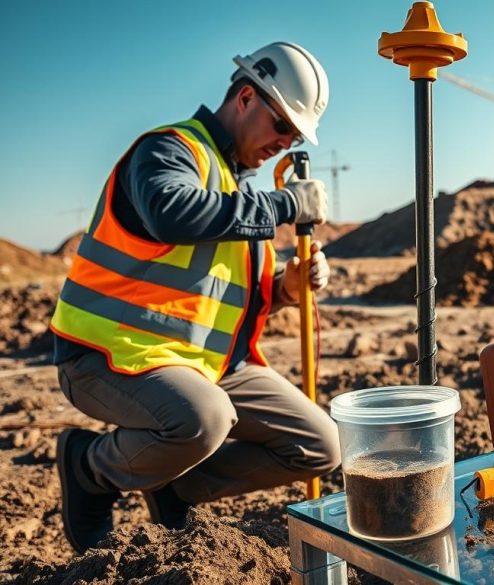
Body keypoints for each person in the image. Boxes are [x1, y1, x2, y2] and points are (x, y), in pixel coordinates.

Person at [49, 42, 342, 553]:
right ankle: (89, 467)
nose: (285, 141)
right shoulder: (169, 150)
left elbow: (230, 298)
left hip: (204, 366)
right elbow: (171, 212)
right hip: (106, 356)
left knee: (320, 445)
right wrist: (285, 204)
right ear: (246, 97)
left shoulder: (239, 190)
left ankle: (174, 487)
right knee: (206, 419)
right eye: (282, 127)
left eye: (295, 136)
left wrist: (288, 289)